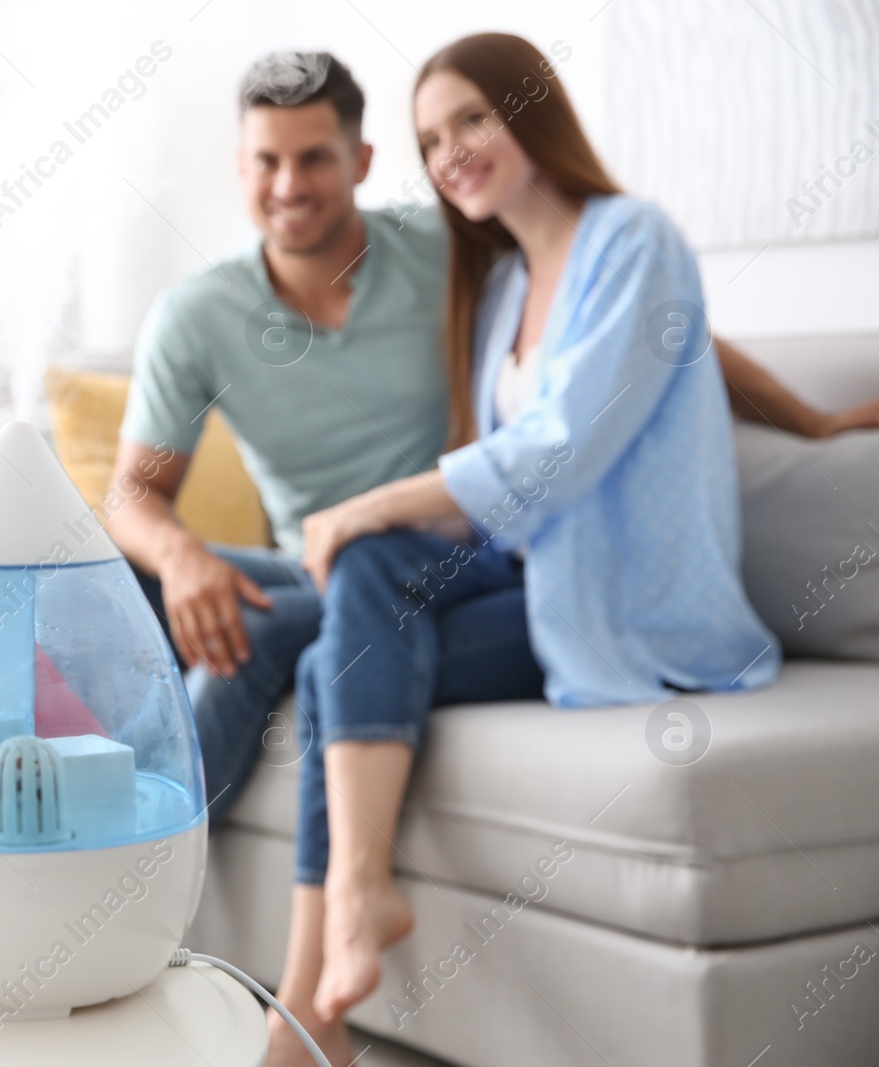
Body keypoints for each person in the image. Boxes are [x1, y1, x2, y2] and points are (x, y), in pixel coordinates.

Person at [107, 50, 879, 838]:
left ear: (362, 161)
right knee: (120, 581)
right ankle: (100, 817)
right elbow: (133, 497)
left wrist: (809, 420)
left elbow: (636, 333)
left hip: (447, 559)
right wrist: (179, 558)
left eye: (314, 159)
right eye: (266, 161)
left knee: (258, 627)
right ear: (241, 167)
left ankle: (131, 858)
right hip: (304, 561)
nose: (288, 185)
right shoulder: (194, 315)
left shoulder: (449, 252)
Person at [264, 34, 786, 1065]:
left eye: (470, 119)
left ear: (529, 110)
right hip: (536, 582)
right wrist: (379, 526)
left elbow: (554, 454)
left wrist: (367, 503)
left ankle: (306, 1006)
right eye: (429, 140)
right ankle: (342, 931)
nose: (450, 151)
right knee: (354, 603)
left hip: (630, 609)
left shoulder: (636, 241)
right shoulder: (500, 287)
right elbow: (497, 498)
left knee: (338, 642)